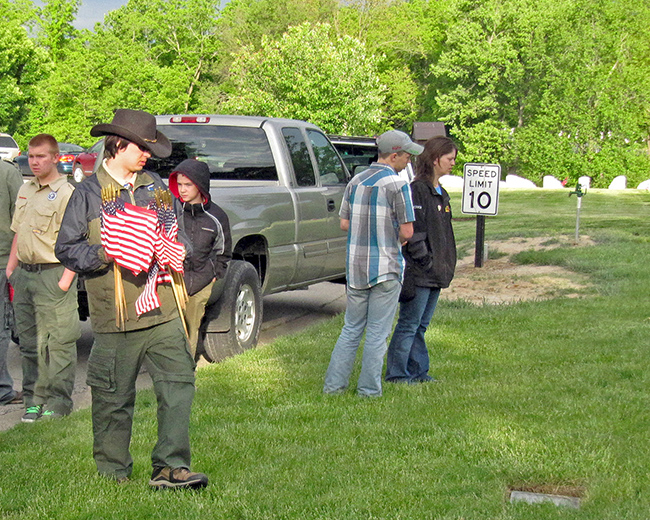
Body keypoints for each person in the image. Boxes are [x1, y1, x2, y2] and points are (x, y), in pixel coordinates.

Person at [55, 109, 208, 489]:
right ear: (118, 145)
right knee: (113, 399)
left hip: (164, 310)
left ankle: (171, 467)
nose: (148, 155)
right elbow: (66, 248)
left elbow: (180, 236)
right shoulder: (89, 193)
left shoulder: (155, 185)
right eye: (142, 147)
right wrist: (106, 252)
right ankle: (113, 473)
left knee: (178, 385)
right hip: (116, 316)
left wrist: (174, 248)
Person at [323, 130, 421, 397]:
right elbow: (408, 231)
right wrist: (395, 239)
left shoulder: (356, 180)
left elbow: (344, 223)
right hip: (386, 267)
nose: (409, 161)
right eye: (406, 155)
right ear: (394, 155)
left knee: (351, 329)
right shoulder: (397, 184)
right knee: (378, 333)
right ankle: (368, 391)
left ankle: (333, 388)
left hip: (355, 267)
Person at [6, 134, 80, 422]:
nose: (35, 162)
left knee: (58, 341)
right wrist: (12, 270)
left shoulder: (67, 193)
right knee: (29, 342)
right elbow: (18, 232)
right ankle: (33, 400)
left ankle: (58, 402)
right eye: (31, 156)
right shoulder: (26, 190)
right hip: (25, 274)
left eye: (41, 156)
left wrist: (66, 278)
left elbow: (78, 239)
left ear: (55, 157)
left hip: (54, 274)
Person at [385, 136, 458, 384]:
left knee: (421, 325)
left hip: (438, 271)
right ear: (435, 159)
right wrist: (425, 260)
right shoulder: (417, 190)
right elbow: (413, 232)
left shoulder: (441, 193)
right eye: (449, 159)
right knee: (409, 323)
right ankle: (396, 374)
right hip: (420, 272)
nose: (453, 163)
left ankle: (418, 371)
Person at [168, 159, 232, 358]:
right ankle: (170, 369)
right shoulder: (171, 213)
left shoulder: (216, 217)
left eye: (188, 185)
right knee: (170, 330)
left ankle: (187, 370)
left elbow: (223, 251)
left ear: (201, 186)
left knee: (191, 328)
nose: (183, 190)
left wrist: (214, 273)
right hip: (173, 280)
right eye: (179, 185)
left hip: (201, 282)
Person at [0, 159, 24, 406]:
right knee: (1, 328)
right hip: (3, 259)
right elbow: (21, 220)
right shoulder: (7, 172)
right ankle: (2, 389)